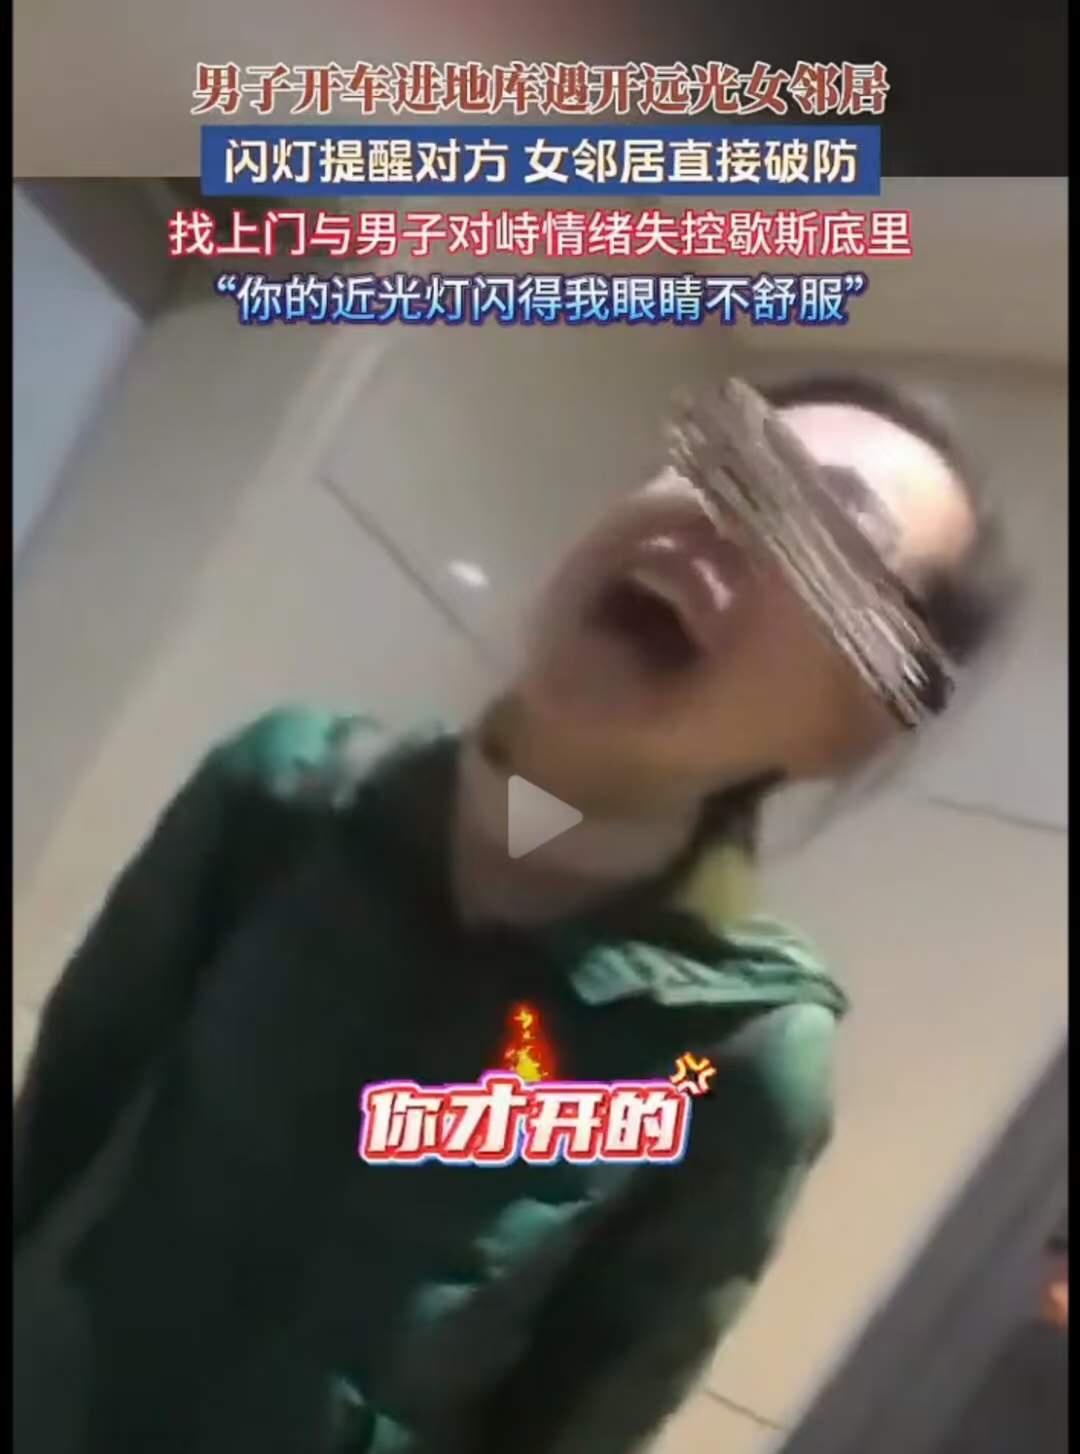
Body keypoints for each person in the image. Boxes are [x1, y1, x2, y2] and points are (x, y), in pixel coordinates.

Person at [13, 373, 1016, 1454]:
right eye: (718, 461)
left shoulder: (743, 1058)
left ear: (846, 727)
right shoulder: (287, 793)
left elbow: (578, 1422)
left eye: (830, 535)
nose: (725, 514)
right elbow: (59, 1122)